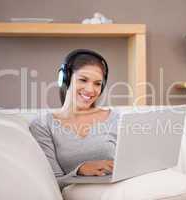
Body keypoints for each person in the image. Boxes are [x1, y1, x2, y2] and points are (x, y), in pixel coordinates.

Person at [29, 49, 120, 190]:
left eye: (97, 83)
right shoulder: (42, 125)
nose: (90, 90)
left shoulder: (116, 118)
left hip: (122, 188)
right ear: (65, 79)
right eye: (83, 80)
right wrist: (80, 170)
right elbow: (53, 182)